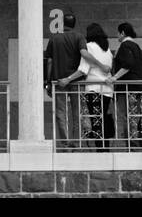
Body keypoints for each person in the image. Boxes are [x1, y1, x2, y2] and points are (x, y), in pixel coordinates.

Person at [58, 23, 115, 149]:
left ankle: (100, 149)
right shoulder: (107, 49)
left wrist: (68, 79)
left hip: (93, 89)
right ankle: (105, 148)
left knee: (96, 120)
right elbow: (110, 68)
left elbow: (83, 69)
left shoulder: (89, 47)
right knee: (103, 118)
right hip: (107, 90)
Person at [44, 11, 84, 146]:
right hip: (76, 81)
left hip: (58, 81)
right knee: (77, 113)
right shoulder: (79, 37)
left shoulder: (54, 39)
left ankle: (65, 142)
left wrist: (48, 82)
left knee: (60, 113)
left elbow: (49, 61)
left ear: (61, 24)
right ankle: (76, 142)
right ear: (74, 24)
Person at [112, 22, 142, 148]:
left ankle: (130, 143)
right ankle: (136, 141)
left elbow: (128, 64)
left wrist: (114, 77)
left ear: (122, 33)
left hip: (127, 87)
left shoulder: (125, 45)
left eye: (118, 32)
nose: (117, 35)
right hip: (137, 86)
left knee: (126, 115)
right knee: (134, 114)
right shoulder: (137, 47)